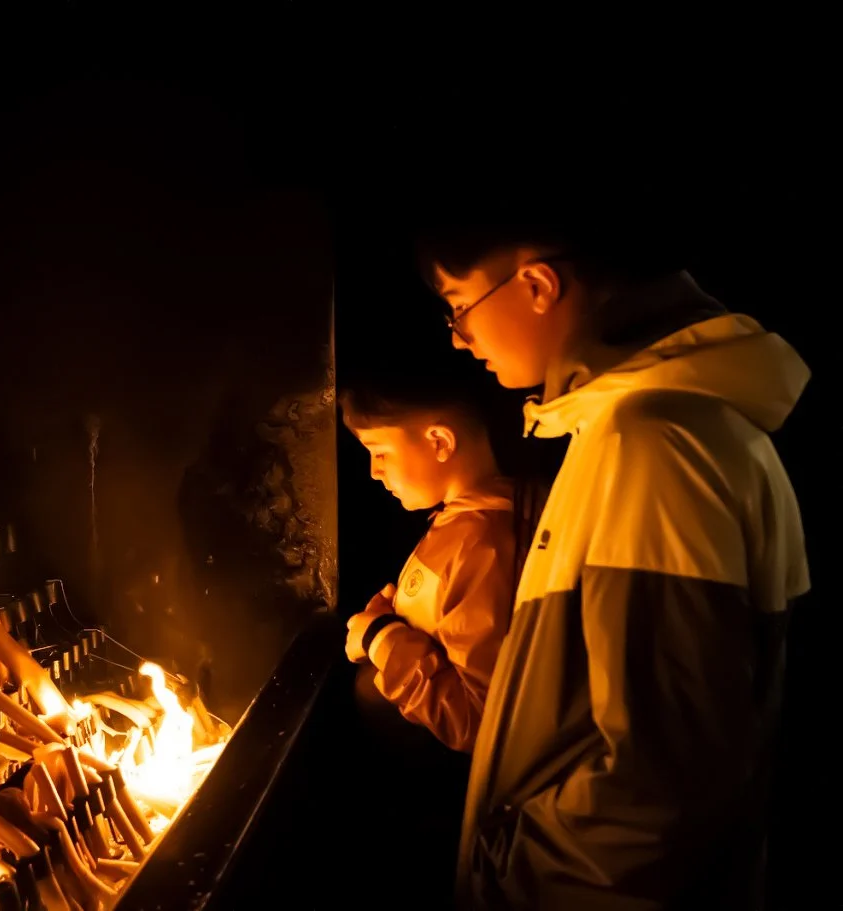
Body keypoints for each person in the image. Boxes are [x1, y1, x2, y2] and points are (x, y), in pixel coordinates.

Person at [417, 219, 810, 909]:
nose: (456, 335)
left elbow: (665, 784)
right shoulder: (652, 430)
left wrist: (517, 869)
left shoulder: (653, 446)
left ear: (535, 284)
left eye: (458, 304)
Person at [341, 384, 525, 754]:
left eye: (379, 452)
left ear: (439, 441)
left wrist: (380, 637)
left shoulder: (482, 543)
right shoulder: (457, 522)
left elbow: (477, 719)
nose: (374, 472)